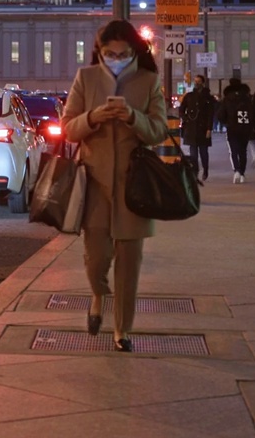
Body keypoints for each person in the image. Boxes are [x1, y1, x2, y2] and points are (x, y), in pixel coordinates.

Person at [61, 19, 169, 350]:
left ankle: (123, 331)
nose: (116, 58)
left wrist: (132, 117)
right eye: (109, 53)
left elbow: (159, 131)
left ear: (134, 51)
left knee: (129, 264)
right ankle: (97, 296)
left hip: (135, 187)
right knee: (96, 260)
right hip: (94, 183)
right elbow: (68, 128)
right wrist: (94, 117)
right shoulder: (87, 77)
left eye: (123, 53)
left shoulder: (149, 81)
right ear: (100, 52)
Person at [178, 75, 217, 182]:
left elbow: (210, 114)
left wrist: (209, 129)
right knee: (193, 153)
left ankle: (205, 169)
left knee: (204, 152)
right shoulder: (189, 96)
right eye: (195, 81)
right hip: (191, 128)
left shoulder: (208, 98)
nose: (196, 83)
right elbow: (181, 109)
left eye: (199, 81)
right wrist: (185, 118)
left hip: (203, 128)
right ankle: (194, 172)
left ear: (203, 83)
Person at [216, 78, 254, 183]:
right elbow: (253, 113)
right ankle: (242, 173)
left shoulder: (227, 99)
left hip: (232, 128)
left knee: (233, 151)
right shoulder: (247, 99)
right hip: (245, 128)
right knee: (243, 151)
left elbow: (220, 115)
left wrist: (226, 122)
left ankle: (236, 171)